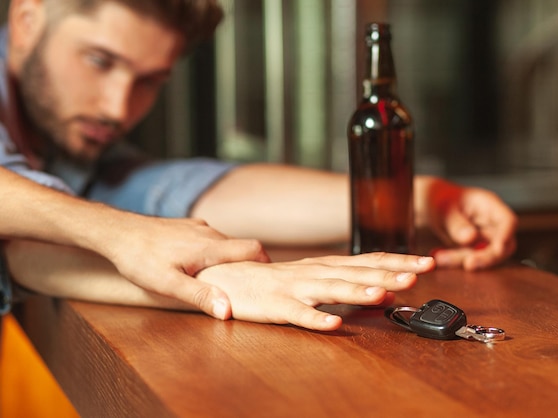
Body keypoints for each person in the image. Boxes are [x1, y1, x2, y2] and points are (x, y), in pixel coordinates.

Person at [0, 0, 518, 331]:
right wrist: (210, 276)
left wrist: (419, 195)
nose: (117, 107)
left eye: (149, 80)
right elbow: (29, 238)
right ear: (27, 20)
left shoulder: (68, 135)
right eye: (99, 61)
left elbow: (182, 191)